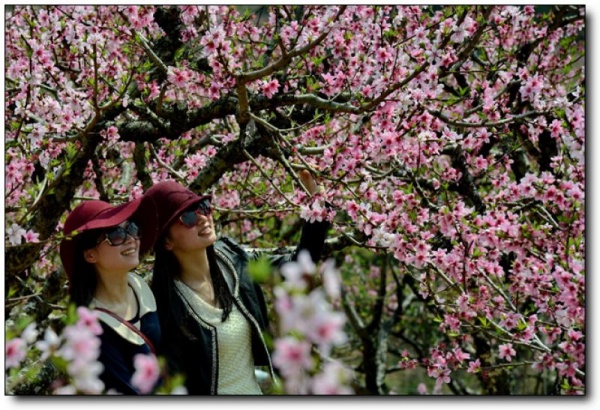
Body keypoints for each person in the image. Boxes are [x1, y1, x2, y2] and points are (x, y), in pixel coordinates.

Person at [143, 170, 329, 395]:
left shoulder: (234, 261)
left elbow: (297, 265)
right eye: (188, 217)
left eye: (202, 208)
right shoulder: (165, 305)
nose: (202, 218)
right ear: (167, 242)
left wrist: (318, 205)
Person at [59, 197, 160, 394]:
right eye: (115, 234)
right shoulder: (92, 327)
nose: (131, 238)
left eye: (132, 228)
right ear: (90, 255)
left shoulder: (139, 286)